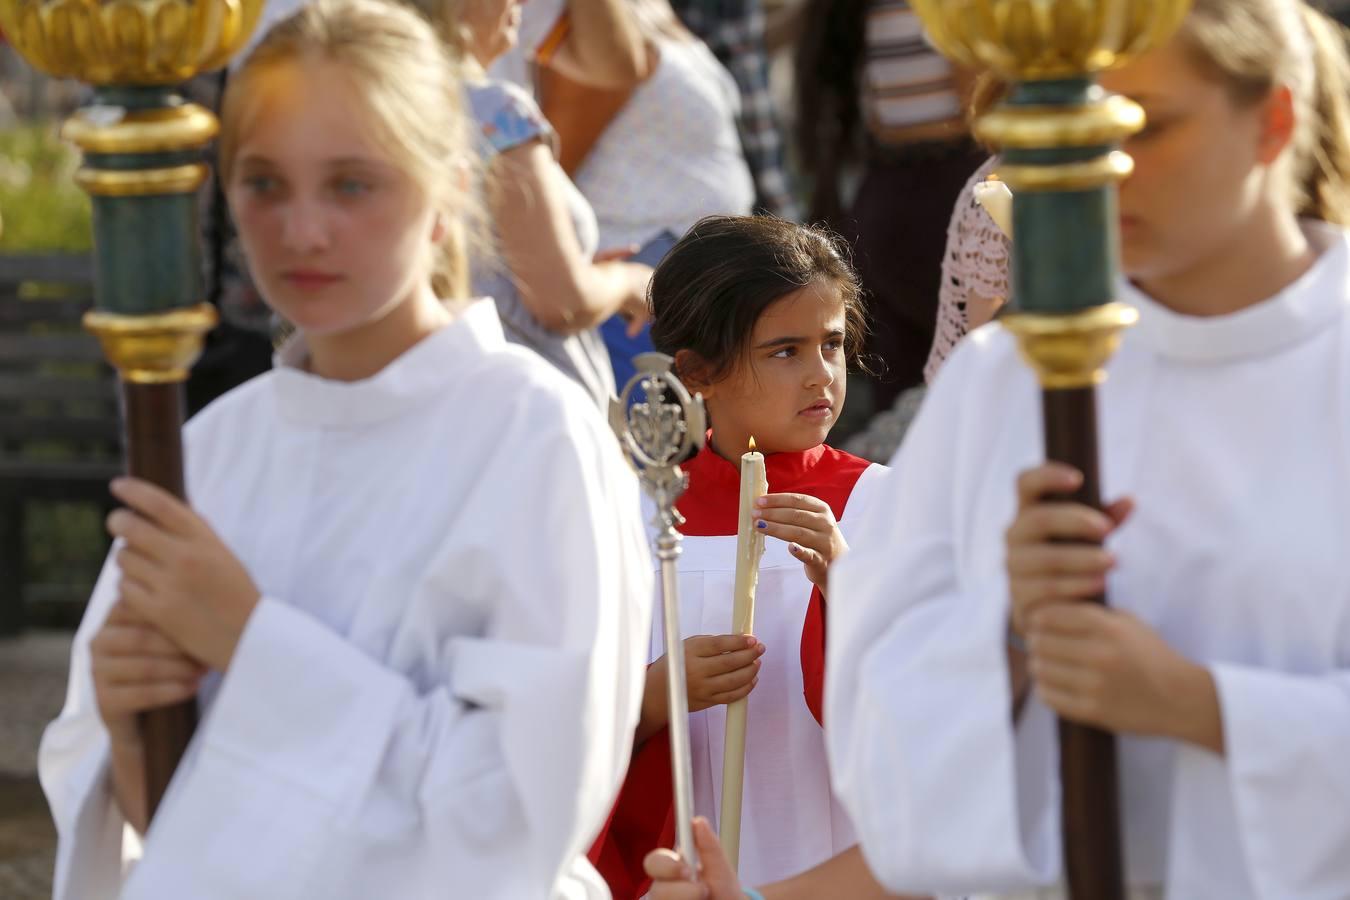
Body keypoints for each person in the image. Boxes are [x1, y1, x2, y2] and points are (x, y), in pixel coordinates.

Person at [38, 2, 652, 897]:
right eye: (264, 184)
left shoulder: (535, 438)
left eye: (353, 183)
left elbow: (513, 820)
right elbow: (160, 825)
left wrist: (252, 644)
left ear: (448, 192)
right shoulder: (209, 450)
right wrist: (129, 732)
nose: (302, 233)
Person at [826, 1, 1350, 897]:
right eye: (1060, 128)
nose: (1096, 168)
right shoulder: (1001, 386)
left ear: (1274, 120)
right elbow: (880, 741)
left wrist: (1203, 706)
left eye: (1147, 124)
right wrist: (1011, 635)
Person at [588, 216, 887, 898]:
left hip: (830, 853)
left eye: (833, 345)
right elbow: (566, 715)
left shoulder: (882, 504)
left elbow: (927, 706)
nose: (821, 376)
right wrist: (657, 694)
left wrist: (847, 587)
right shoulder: (640, 516)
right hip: (682, 850)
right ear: (697, 373)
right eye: (785, 351)